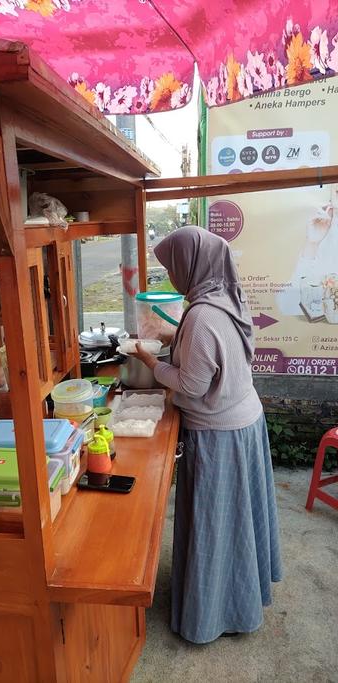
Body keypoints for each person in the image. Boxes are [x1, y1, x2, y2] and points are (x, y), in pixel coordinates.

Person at [134, 226, 282, 644]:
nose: (172, 275)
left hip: (220, 436)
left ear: (192, 264)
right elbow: (214, 351)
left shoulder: (200, 315)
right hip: (245, 424)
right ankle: (239, 595)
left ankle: (214, 613)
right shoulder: (225, 297)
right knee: (236, 523)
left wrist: (149, 359)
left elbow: (192, 384)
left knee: (216, 525)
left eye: (173, 265)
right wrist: (170, 336)